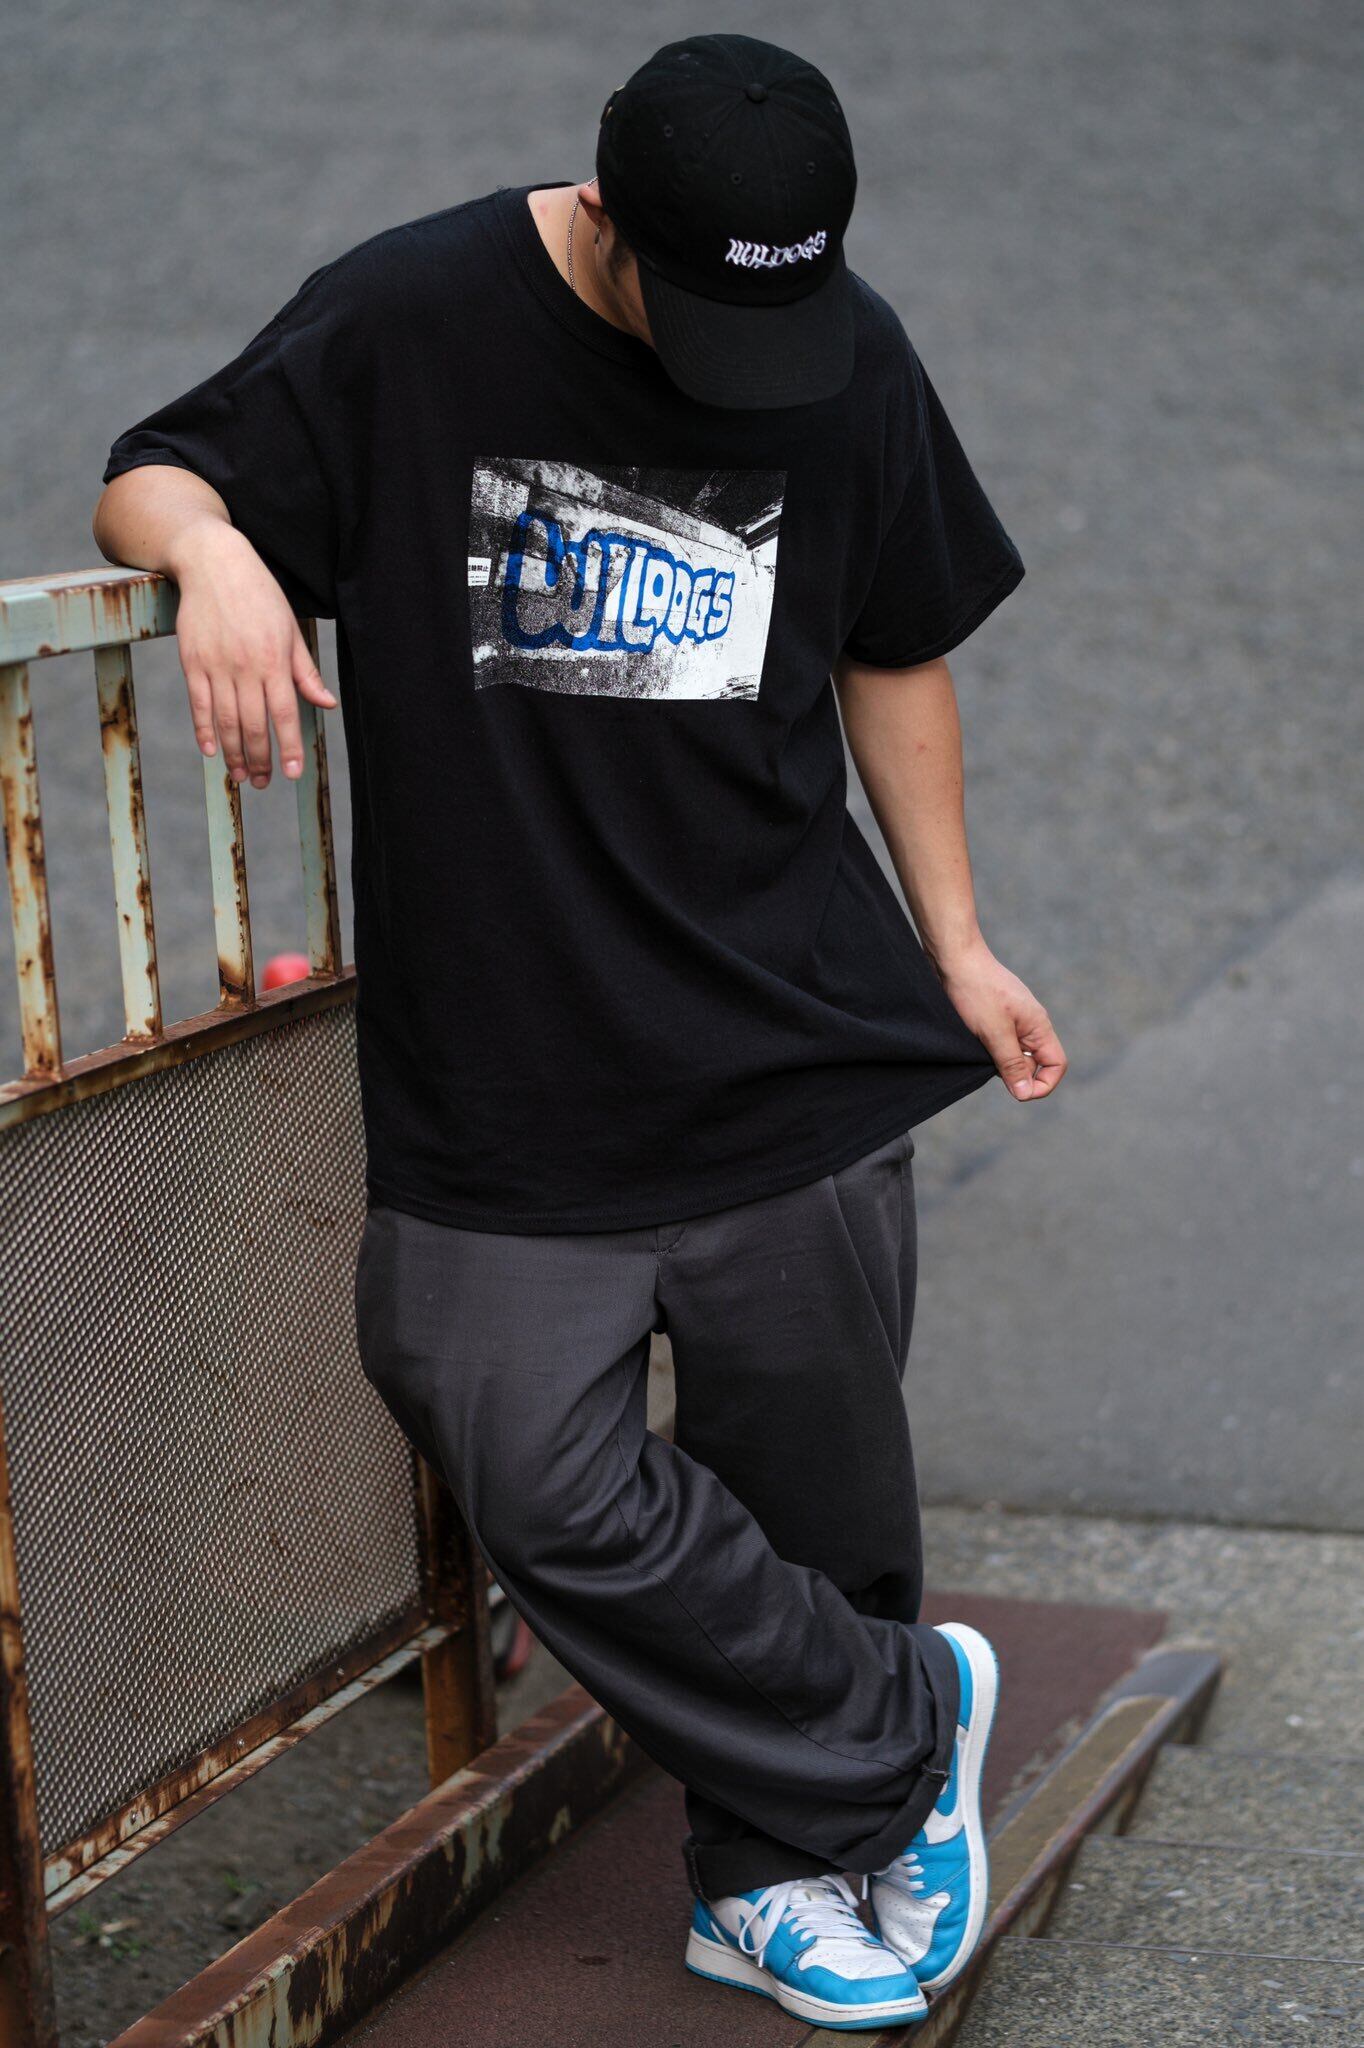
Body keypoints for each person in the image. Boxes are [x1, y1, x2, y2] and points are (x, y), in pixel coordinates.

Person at [92, 31, 1066, 2030]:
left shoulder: (845, 351)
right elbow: (155, 470)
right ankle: (900, 1727)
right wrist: (212, 557)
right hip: (509, 1060)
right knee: (512, 1438)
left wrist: (958, 942)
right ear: (606, 216)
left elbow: (894, 647)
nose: (741, 361)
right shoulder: (412, 314)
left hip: (786, 1026)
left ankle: (767, 1880)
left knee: (814, 1490)